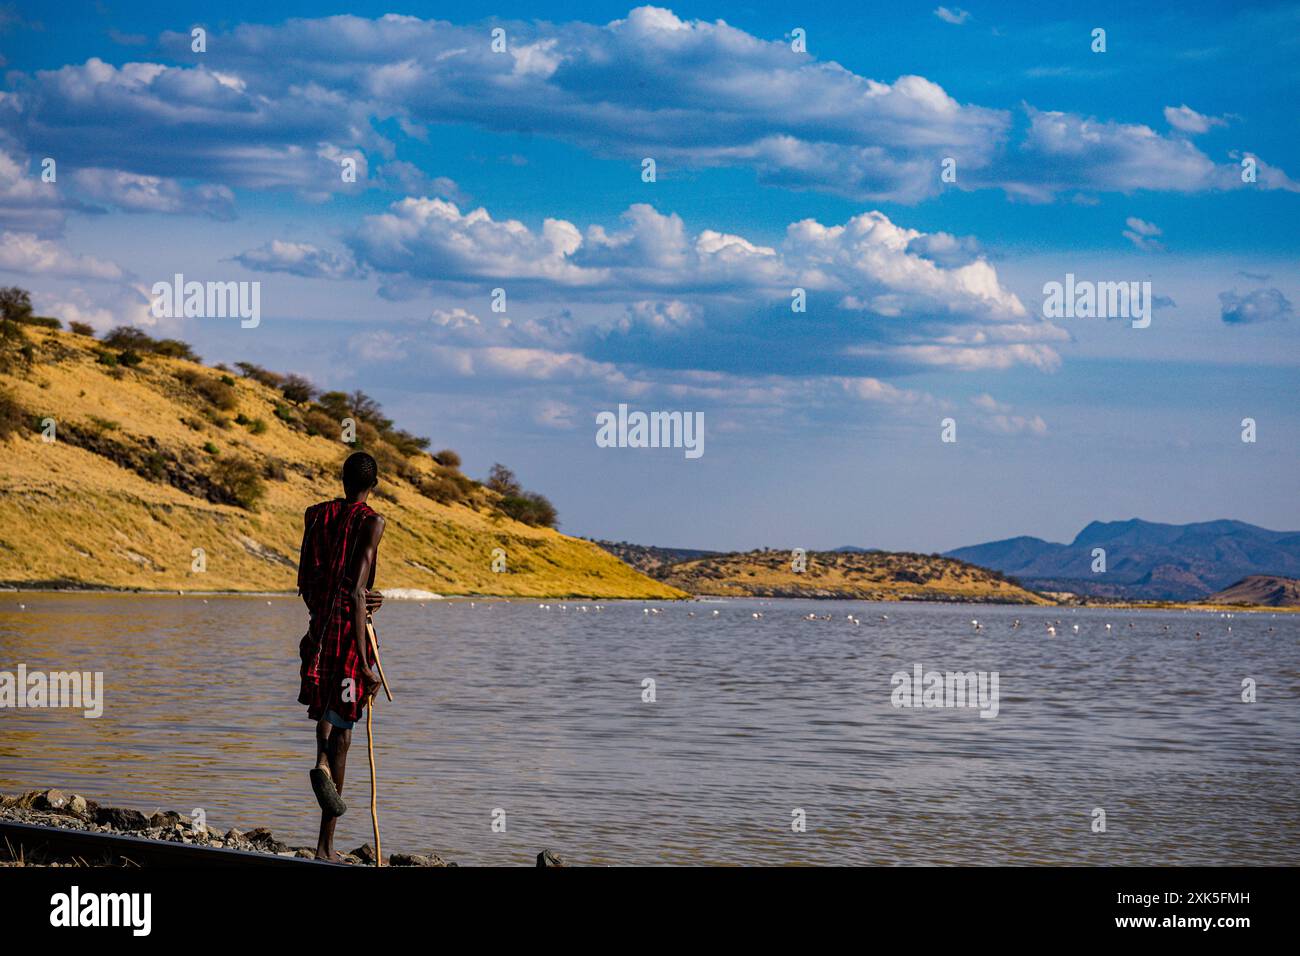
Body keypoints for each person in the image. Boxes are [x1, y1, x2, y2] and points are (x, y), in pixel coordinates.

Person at [296, 451, 387, 861]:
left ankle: (319, 758)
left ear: (342, 478)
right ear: (376, 482)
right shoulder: (372, 521)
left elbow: (308, 580)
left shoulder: (316, 516)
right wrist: (366, 664)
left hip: (319, 631)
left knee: (326, 716)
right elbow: (353, 590)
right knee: (345, 735)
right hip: (349, 636)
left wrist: (369, 597)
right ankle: (325, 847)